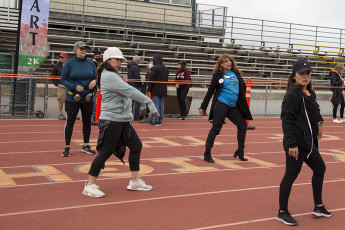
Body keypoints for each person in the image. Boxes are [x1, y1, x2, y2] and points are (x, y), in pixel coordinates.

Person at [82, 47, 159, 197]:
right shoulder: (108, 76)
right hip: (112, 120)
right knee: (105, 152)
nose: (120, 62)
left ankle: (135, 181)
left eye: (121, 60)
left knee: (136, 146)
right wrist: (149, 101)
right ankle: (89, 184)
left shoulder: (111, 74)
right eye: (117, 59)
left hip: (122, 120)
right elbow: (129, 91)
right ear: (108, 60)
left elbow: (127, 91)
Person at [277, 59, 331, 226]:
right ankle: (282, 212)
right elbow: (286, 121)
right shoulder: (292, 96)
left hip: (308, 143)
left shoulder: (310, 93)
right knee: (290, 176)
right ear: (294, 76)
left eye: (308, 73)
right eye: (302, 74)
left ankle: (318, 206)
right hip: (296, 145)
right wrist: (292, 144)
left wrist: (320, 123)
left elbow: (315, 113)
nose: (305, 76)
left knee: (320, 168)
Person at [199, 54, 252, 163]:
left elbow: (241, 89)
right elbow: (210, 91)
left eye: (230, 61)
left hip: (233, 106)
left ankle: (240, 151)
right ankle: (207, 153)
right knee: (216, 128)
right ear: (221, 64)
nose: (229, 63)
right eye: (226, 61)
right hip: (221, 104)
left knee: (242, 125)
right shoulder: (218, 75)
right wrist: (203, 107)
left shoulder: (236, 74)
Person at [60, 41, 97, 157]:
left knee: (87, 122)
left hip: (88, 98)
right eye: (81, 49)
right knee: (70, 121)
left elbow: (96, 77)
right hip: (72, 97)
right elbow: (63, 80)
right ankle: (67, 147)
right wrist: (74, 86)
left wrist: (95, 81)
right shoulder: (69, 63)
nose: (84, 51)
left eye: (85, 49)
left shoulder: (91, 64)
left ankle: (86, 145)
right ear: (75, 50)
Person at [148, 54, 169, 126]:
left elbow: (151, 79)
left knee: (156, 105)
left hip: (155, 90)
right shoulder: (166, 68)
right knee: (161, 105)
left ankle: (156, 120)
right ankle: (160, 119)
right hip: (163, 89)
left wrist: (149, 89)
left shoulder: (154, 68)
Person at [51, 52, 68, 120]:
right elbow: (53, 75)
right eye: (60, 57)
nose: (61, 59)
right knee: (60, 100)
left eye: (62, 57)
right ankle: (60, 113)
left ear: (66, 58)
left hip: (69, 85)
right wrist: (56, 84)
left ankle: (69, 114)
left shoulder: (69, 65)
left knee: (70, 100)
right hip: (61, 85)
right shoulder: (57, 66)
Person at [127, 55, 142, 120]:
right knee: (137, 102)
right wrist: (140, 83)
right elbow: (137, 77)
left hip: (130, 84)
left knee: (131, 102)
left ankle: (130, 115)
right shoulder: (136, 67)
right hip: (135, 86)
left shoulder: (129, 67)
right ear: (138, 60)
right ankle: (136, 115)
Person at [91, 51, 103, 126]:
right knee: (95, 101)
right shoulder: (92, 64)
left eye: (99, 56)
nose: (97, 57)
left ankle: (98, 116)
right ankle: (95, 115)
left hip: (101, 85)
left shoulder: (103, 65)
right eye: (96, 56)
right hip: (95, 86)